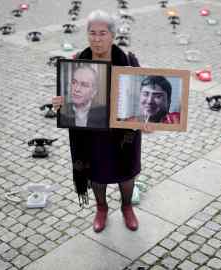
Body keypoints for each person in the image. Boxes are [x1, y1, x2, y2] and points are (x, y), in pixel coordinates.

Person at [52, 10, 145, 233]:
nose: (96, 38)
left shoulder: (129, 61)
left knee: (126, 172)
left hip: (123, 133)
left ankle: (126, 207)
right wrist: (60, 104)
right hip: (90, 132)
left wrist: (145, 119)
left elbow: (142, 96)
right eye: (92, 33)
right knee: (96, 173)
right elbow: (70, 96)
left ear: (112, 36)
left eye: (102, 33)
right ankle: (101, 208)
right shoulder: (76, 62)